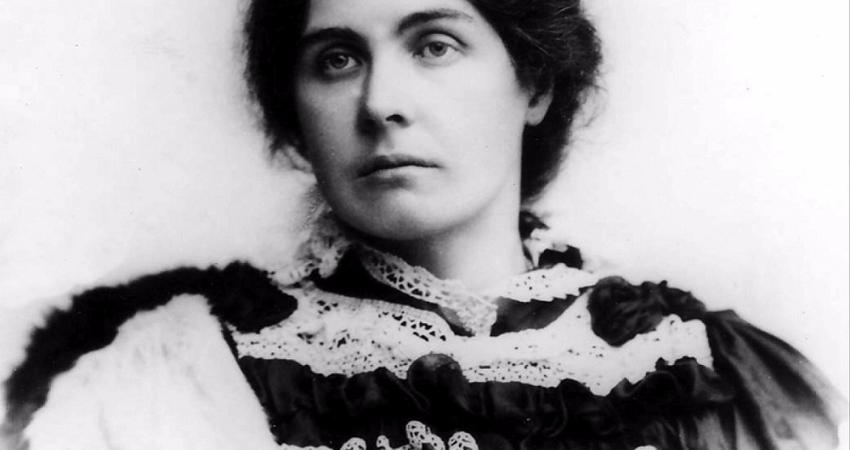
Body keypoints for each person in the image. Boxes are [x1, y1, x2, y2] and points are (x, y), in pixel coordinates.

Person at [2, 0, 845, 448]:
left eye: (435, 44)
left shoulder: (695, 370)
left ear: (535, 84)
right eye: (337, 58)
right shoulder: (181, 367)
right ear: (294, 109)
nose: (381, 103)